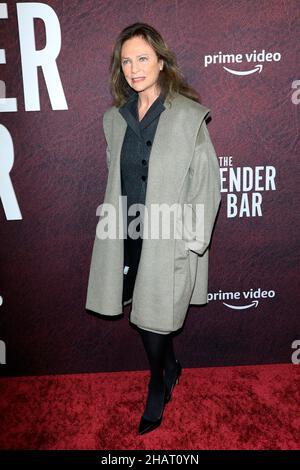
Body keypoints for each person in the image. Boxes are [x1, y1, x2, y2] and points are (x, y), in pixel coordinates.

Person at [86, 22, 221, 435]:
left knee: (154, 313)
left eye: (142, 58)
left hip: (169, 234)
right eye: (126, 61)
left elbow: (207, 181)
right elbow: (116, 172)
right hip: (126, 229)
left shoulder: (187, 116)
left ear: (161, 62)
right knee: (144, 311)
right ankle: (172, 365)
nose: (133, 68)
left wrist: (193, 239)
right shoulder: (115, 119)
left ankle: (158, 384)